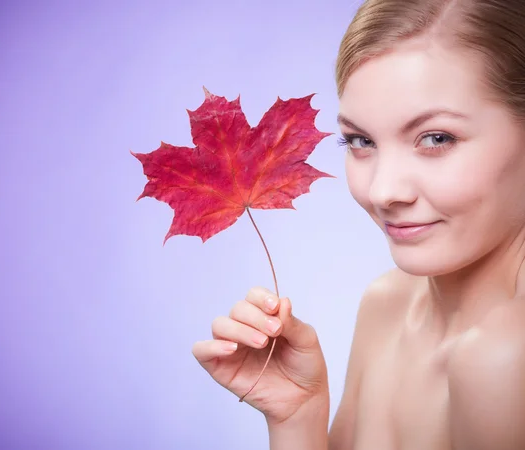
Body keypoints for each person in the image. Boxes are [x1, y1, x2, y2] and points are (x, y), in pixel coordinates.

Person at [191, 0, 525, 448]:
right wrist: (297, 417)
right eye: (360, 141)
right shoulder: (385, 304)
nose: (384, 190)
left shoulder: (505, 358)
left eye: (436, 138)